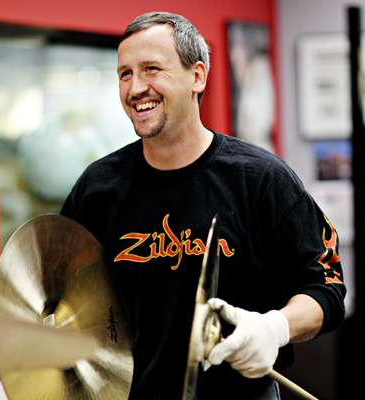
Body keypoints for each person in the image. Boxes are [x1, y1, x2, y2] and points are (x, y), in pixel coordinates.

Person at [61, 11, 346, 400]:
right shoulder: (97, 188)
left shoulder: (261, 180)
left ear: (197, 76)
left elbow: (325, 287)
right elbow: (61, 288)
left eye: (151, 69)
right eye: (125, 74)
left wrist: (274, 328)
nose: (135, 88)